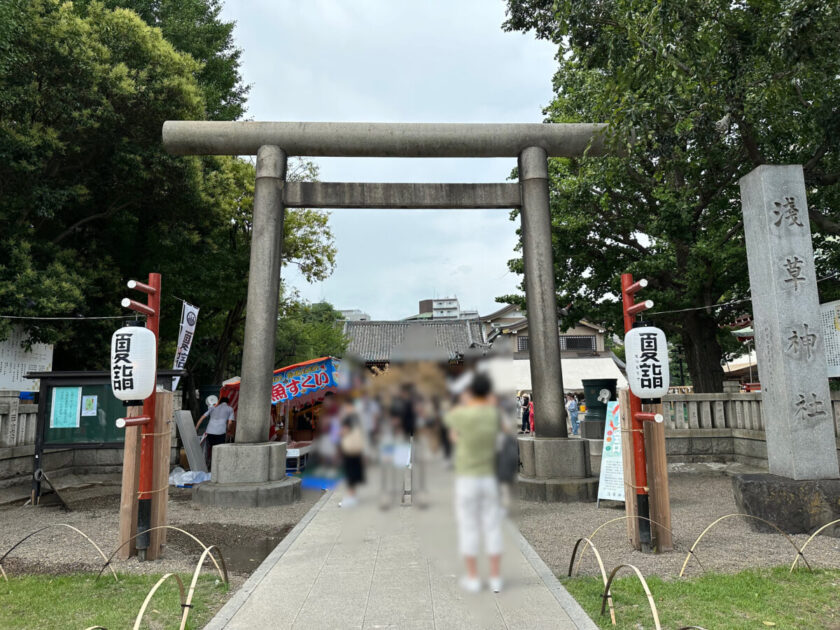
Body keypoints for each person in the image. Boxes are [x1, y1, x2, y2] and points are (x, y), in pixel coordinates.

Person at [444, 373, 504, 594]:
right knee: (492, 526)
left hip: (466, 477)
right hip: (488, 476)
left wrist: (464, 399)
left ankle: (473, 577)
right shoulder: (493, 413)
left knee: (468, 526)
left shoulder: (460, 414)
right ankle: (496, 578)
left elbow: (452, 436)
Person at [196, 396, 234, 470]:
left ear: (219, 402)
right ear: (228, 402)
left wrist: (196, 427)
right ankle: (217, 467)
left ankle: (209, 466)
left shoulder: (212, 408)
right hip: (221, 432)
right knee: (219, 449)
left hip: (210, 431)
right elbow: (230, 423)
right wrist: (228, 430)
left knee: (210, 449)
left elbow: (202, 418)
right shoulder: (230, 409)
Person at [339, 400, 366, 508]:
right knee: (354, 471)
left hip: (349, 449)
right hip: (357, 448)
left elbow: (344, 431)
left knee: (350, 472)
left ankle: (351, 497)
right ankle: (353, 496)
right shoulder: (357, 418)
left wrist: (339, 432)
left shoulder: (348, 418)